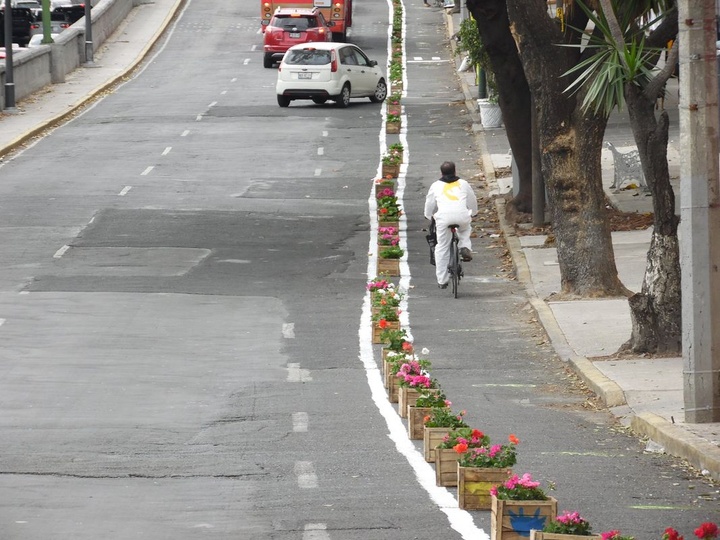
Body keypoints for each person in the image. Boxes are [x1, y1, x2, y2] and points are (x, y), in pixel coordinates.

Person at [423, 161, 478, 289]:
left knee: (442, 246)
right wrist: (474, 212)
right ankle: (464, 246)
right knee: (465, 230)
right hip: (462, 216)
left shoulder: (436, 185)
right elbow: (472, 200)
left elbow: (429, 203)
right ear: (455, 171)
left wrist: (428, 215)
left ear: (441, 173)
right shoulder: (463, 183)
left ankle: (442, 280)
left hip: (443, 218)